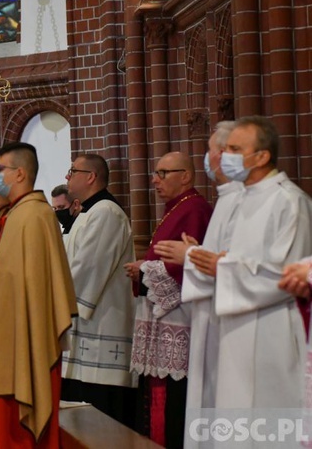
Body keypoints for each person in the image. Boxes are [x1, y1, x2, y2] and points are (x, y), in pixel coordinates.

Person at [0, 142, 77, 448]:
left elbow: (33, 286)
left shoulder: (34, 216)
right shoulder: (15, 216)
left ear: (19, 173)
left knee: (11, 429)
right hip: (3, 337)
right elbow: (9, 273)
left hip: (24, 340)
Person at [188, 116, 312, 411]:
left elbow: (288, 276)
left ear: (262, 156)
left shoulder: (290, 202)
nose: (224, 156)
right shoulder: (239, 199)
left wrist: (223, 268)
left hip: (272, 330)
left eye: (234, 149)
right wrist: (211, 263)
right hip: (233, 328)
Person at [152, 122, 241, 438]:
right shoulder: (227, 200)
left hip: (238, 327)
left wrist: (190, 256)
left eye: (216, 151)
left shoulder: (271, 202)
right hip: (209, 319)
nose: (210, 158)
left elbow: (254, 271)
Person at [124, 151, 212, 448]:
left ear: (185, 176)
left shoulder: (195, 209)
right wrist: (145, 269)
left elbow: (190, 265)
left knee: (171, 400)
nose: (154, 180)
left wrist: (145, 269)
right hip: (161, 321)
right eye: (155, 173)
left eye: (163, 173)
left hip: (179, 320)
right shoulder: (176, 209)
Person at [61, 154, 137, 428]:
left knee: (103, 426)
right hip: (84, 333)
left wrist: (51, 301)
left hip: (100, 333)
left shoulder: (106, 212)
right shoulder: (89, 213)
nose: (68, 177)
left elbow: (86, 270)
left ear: (91, 176)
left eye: (73, 171)